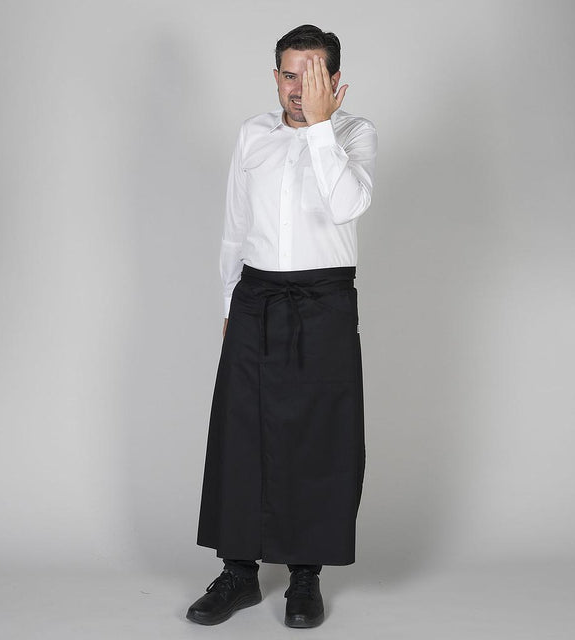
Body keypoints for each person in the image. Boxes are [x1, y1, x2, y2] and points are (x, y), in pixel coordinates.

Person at [186, 24, 377, 628]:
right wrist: (228, 303)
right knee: (241, 433)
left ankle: (304, 577)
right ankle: (238, 573)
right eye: (289, 76)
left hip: (324, 299)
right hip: (255, 297)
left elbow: (346, 205)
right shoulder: (252, 134)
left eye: (311, 77)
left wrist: (321, 126)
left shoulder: (355, 134)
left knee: (317, 437)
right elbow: (235, 226)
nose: (298, 89)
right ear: (275, 78)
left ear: (335, 81)